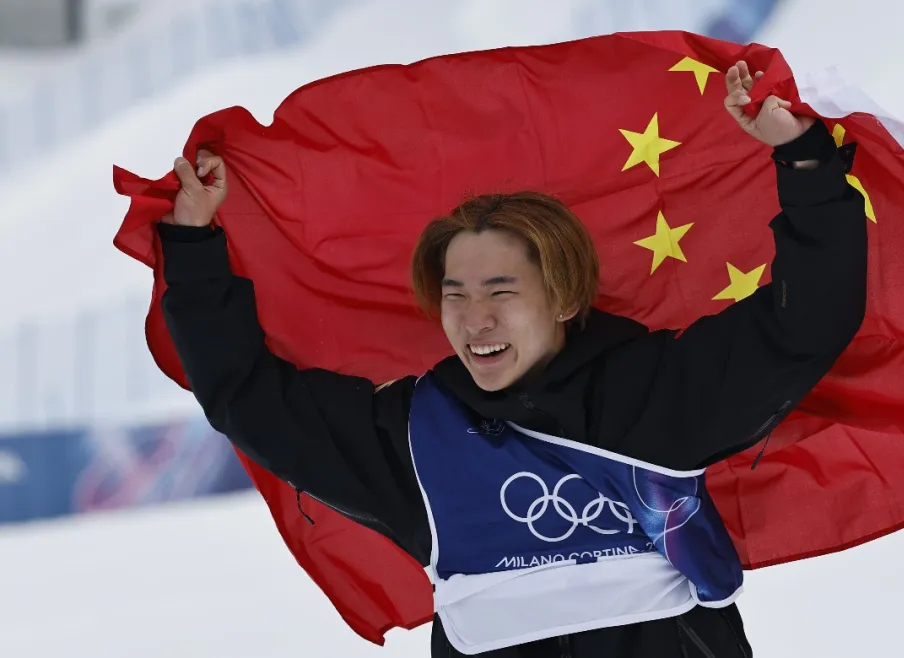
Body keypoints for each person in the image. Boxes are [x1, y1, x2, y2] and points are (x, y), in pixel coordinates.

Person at [156, 61, 867, 657]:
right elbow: (247, 398)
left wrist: (804, 160)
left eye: (501, 291)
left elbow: (807, 318)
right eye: (455, 295)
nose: (475, 319)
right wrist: (192, 247)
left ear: (564, 296)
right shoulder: (412, 439)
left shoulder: (652, 392)